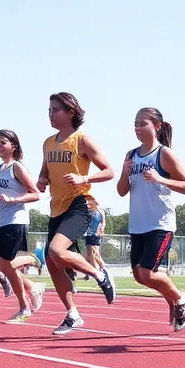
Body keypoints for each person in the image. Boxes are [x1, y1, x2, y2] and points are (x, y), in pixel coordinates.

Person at [37, 92, 118, 335]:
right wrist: (41, 181)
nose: (50, 114)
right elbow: (45, 172)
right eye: (49, 110)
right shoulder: (48, 142)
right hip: (56, 208)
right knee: (52, 263)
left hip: (79, 204)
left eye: (55, 110)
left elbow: (109, 171)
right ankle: (72, 314)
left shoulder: (82, 141)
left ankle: (99, 274)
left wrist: (84, 177)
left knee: (55, 250)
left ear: (71, 112)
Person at [117, 107, 185, 331]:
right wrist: (124, 172)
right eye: (135, 124)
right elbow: (122, 191)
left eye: (143, 123)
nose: (137, 128)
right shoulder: (130, 155)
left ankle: (181, 298)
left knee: (148, 272)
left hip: (160, 223)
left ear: (157, 127)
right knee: (139, 276)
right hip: (138, 224)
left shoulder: (164, 154)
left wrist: (161, 179)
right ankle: (173, 298)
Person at [0, 129, 46, 323]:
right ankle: (33, 285)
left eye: (2, 143)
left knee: (6, 265)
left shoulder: (17, 167)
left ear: (13, 146)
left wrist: (13, 199)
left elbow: (35, 193)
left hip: (15, 222)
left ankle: (24, 308)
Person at [83, 196, 106, 277]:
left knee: (95, 253)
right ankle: (89, 272)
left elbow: (103, 222)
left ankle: (102, 267)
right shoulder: (88, 211)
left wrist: (101, 229)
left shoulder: (99, 211)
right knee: (89, 254)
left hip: (95, 234)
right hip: (88, 234)